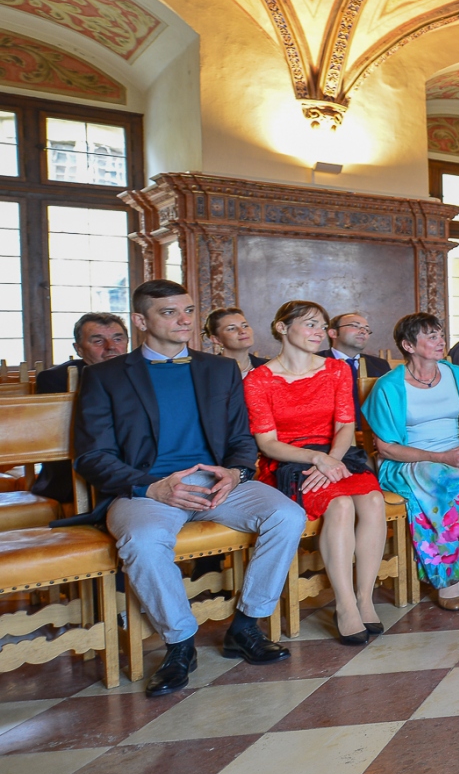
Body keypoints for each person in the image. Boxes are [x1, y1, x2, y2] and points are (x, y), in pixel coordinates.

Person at [73, 280, 306, 696]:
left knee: (288, 515)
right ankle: (180, 644)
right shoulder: (105, 377)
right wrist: (152, 488)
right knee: (143, 542)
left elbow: (240, 440)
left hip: (218, 482)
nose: (184, 320)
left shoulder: (218, 369)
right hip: (145, 488)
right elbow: (92, 457)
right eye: (169, 313)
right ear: (141, 320)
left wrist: (236, 473)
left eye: (188, 311)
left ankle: (246, 625)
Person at [243, 300, 389, 645]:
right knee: (340, 506)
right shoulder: (258, 379)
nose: (318, 332)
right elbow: (267, 443)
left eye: (322, 327)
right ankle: (345, 605)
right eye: (310, 324)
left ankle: (365, 598)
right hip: (289, 459)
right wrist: (315, 460)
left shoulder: (337, 371)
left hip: (337, 454)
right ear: (282, 327)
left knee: (372, 500)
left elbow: (345, 425)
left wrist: (332, 460)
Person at [365, 313, 459, 610]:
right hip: (412, 459)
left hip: (457, 452)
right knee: (453, 488)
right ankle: (448, 578)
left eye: (440, 334)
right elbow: (386, 448)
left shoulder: (457, 375)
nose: (440, 340)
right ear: (408, 345)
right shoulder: (389, 386)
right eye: (430, 336)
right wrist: (439, 457)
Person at [31, 312, 129, 505]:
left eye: (118, 339)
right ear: (79, 349)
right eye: (98, 341)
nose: (111, 347)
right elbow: (64, 436)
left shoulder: (142, 374)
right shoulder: (55, 379)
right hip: (76, 473)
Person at [328, 312, 391, 380]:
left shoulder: (381, 365)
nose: (363, 332)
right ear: (333, 333)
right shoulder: (317, 363)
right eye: (355, 326)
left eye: (367, 329)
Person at [204, 307, 266, 375]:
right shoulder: (208, 371)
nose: (242, 331)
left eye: (245, 326)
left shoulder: (268, 366)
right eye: (231, 328)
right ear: (216, 339)